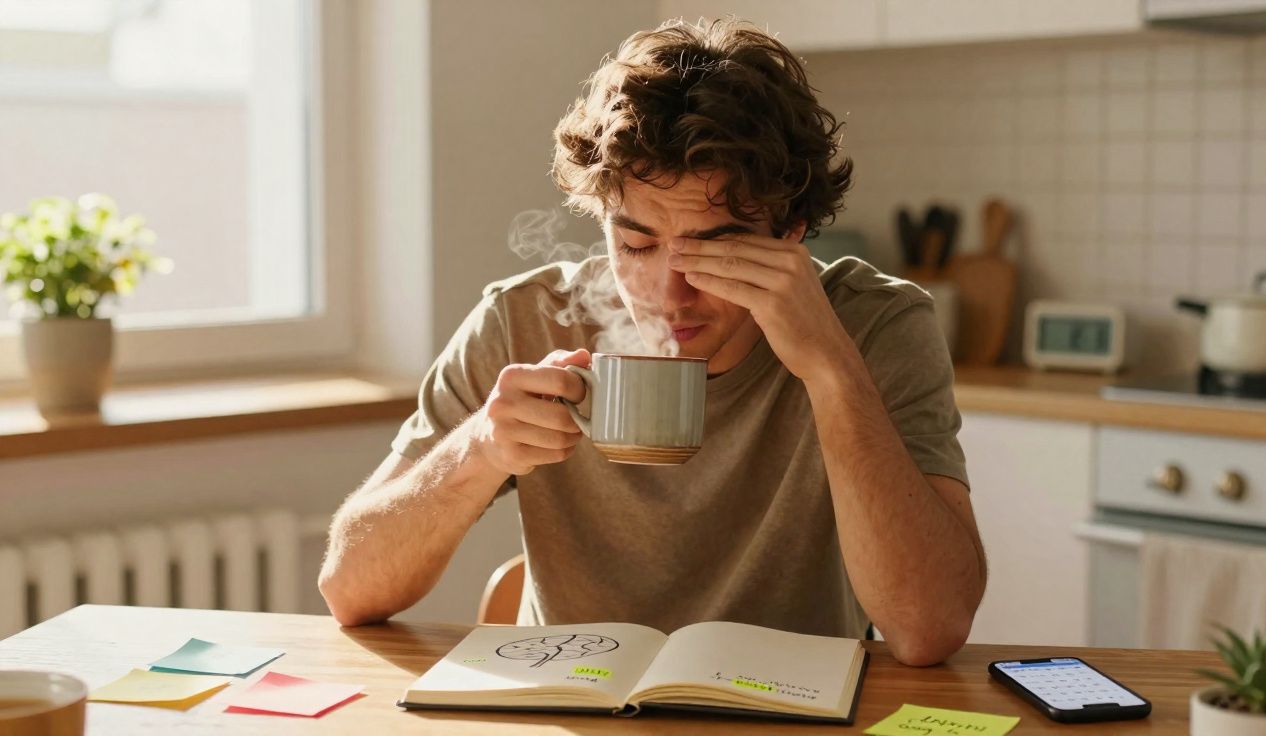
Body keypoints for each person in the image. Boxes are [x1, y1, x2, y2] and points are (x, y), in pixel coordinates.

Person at [318, 17, 985, 667]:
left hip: (785, 715)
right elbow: (349, 588)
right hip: (572, 708)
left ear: (790, 233)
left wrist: (832, 370)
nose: (669, 295)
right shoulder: (524, 321)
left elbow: (928, 628)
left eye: (713, 251)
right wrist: (478, 450)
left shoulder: (874, 325)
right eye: (635, 243)